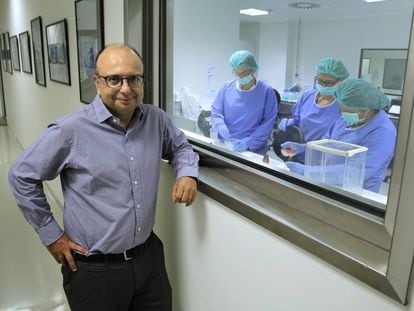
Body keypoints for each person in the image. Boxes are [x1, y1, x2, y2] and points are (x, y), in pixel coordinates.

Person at [8, 44, 199, 311]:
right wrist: (52, 236)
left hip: (149, 260)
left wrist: (187, 173)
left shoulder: (156, 119)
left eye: (134, 78)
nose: (126, 88)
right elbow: (21, 176)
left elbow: (181, 147)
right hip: (95, 271)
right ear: (97, 82)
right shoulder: (70, 131)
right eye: (114, 79)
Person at [281, 78, 396, 193]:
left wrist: (308, 172)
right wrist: (303, 149)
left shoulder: (383, 132)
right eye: (342, 109)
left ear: (365, 110)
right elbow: (326, 143)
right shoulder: (347, 118)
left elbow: (358, 171)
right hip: (326, 183)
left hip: (355, 195)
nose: (343, 114)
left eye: (348, 111)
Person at [277, 57, 350, 161]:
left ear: (341, 81)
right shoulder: (307, 96)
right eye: (320, 81)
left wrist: (307, 149)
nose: (323, 85)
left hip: (323, 159)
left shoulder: (344, 106)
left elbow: (337, 139)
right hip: (296, 152)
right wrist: (291, 122)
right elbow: (297, 119)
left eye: (329, 83)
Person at [211, 50, 278, 155]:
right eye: (237, 73)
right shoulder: (227, 88)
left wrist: (249, 142)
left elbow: (268, 122)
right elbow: (216, 111)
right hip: (228, 146)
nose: (240, 77)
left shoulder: (266, 91)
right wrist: (220, 125)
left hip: (254, 150)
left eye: (244, 73)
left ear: (253, 70)